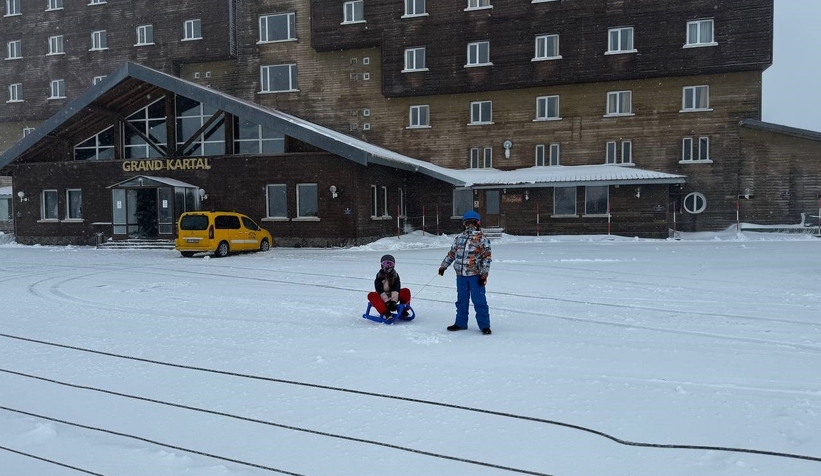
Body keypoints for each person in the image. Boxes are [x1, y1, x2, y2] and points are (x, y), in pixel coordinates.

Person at [438, 210, 492, 335]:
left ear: (478, 223)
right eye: (468, 223)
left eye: (473, 223)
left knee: (479, 301)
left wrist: (484, 275)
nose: (470, 226)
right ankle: (461, 323)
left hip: (475, 276)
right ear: (464, 224)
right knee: (461, 300)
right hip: (461, 276)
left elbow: (486, 258)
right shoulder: (459, 238)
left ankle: (484, 325)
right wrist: (443, 266)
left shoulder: (482, 239)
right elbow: (452, 254)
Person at [367, 254, 412, 320]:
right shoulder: (379, 276)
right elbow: (379, 290)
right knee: (371, 295)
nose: (387, 266)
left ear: (393, 265)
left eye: (390, 264)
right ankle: (386, 313)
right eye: (385, 264)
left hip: (393, 296)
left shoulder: (395, 276)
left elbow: (396, 288)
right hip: (382, 297)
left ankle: (403, 311)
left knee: (405, 291)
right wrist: (387, 302)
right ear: (382, 265)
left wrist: (393, 302)